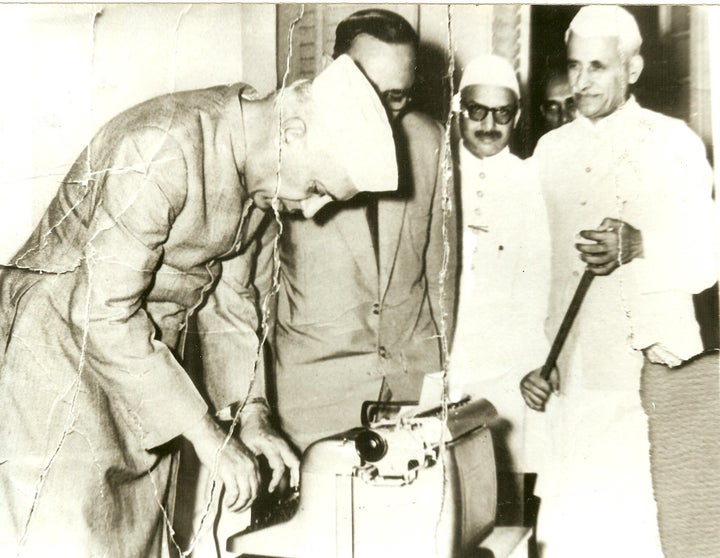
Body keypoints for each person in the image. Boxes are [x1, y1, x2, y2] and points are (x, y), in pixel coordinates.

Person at [0, 54, 398, 557]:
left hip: (147, 370)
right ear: (291, 130)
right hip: (56, 360)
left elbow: (232, 302)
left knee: (138, 543)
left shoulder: (259, 180)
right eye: (318, 187)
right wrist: (205, 435)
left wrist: (252, 414)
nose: (311, 210)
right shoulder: (163, 145)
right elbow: (99, 311)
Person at [520, 6, 717, 557]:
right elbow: (531, 274)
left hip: (650, 384)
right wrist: (532, 365)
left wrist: (640, 245)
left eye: (598, 67)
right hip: (571, 386)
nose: (580, 83)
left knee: (647, 534)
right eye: (575, 65)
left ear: (632, 69)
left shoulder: (673, 142)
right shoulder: (549, 153)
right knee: (568, 537)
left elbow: (708, 257)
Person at [267, 9, 456, 451]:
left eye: (396, 97)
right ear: (334, 71)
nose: (380, 115)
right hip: (313, 405)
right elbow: (251, 295)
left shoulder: (430, 142)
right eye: (368, 91)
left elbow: (440, 278)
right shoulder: (286, 144)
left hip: (409, 400)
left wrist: (438, 378)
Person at [449, 55, 550, 478]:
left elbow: (541, 283)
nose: (489, 125)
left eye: (503, 114)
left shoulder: (532, 182)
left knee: (504, 494)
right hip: (444, 371)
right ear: (459, 109)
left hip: (511, 373)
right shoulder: (437, 173)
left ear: (518, 116)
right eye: (477, 111)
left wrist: (537, 363)